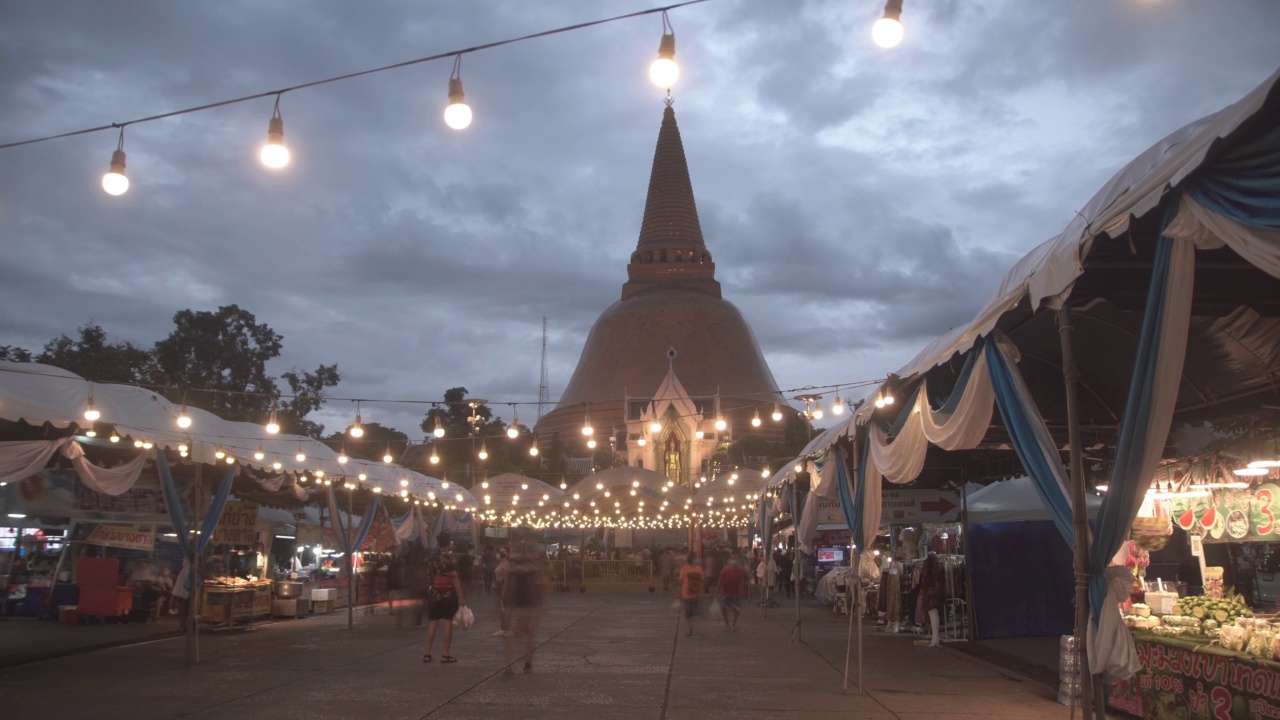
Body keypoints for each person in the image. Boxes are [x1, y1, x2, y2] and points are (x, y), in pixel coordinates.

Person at [423, 533, 467, 663]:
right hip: (448, 594)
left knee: (433, 622)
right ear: (448, 544)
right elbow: (455, 579)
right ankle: (445, 654)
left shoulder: (431, 559)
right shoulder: (451, 559)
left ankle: (427, 653)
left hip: (434, 594)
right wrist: (461, 597)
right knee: (447, 623)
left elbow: (429, 577)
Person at [502, 545, 544, 675]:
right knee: (530, 634)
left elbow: (507, 586)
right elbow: (539, 585)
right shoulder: (534, 568)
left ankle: (508, 665)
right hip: (531, 603)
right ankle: (528, 663)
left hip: (516, 603)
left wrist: (504, 601)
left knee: (512, 635)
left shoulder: (512, 568)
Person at [718, 554, 746, 632]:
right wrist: (742, 591)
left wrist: (717, 591)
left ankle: (730, 624)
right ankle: (731, 624)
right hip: (730, 594)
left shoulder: (725, 570)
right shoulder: (739, 571)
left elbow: (720, 582)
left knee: (727, 609)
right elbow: (742, 583)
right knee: (734, 609)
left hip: (729, 594)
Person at [678, 554, 705, 637]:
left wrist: (702, 591)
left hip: (692, 594)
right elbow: (681, 581)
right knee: (690, 612)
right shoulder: (689, 568)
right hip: (690, 594)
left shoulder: (695, 568)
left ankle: (691, 628)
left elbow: (702, 581)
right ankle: (691, 628)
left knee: (691, 613)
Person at [490, 549, 512, 637]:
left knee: (504, 609)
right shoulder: (501, 563)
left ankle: (506, 628)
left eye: (503, 551)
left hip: (503, 587)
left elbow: (506, 579)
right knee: (502, 609)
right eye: (500, 551)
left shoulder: (506, 564)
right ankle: (504, 628)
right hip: (499, 587)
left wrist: (504, 591)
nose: (501, 553)